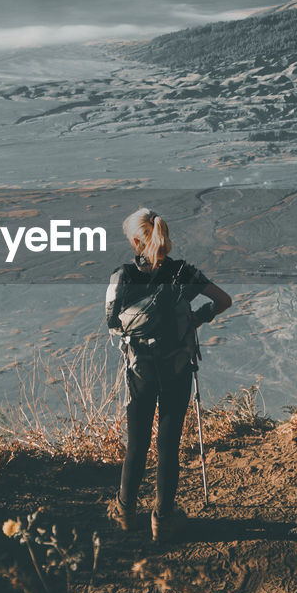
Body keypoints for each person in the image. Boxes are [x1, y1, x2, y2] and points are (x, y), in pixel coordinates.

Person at [103, 207, 232, 542]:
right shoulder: (183, 273)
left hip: (140, 371)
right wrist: (196, 318)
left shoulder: (124, 276)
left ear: (135, 241)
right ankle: (162, 519)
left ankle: (124, 511)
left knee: (137, 443)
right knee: (168, 445)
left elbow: (113, 323)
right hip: (177, 368)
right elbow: (223, 300)